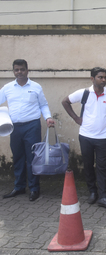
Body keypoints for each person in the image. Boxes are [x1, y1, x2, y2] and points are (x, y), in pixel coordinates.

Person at [62, 67, 106, 209]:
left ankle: (103, 196)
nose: (103, 80)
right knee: (88, 165)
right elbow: (65, 102)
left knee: (102, 167)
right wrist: (75, 118)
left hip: (102, 138)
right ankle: (92, 192)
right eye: (100, 77)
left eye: (105, 77)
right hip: (85, 136)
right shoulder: (84, 93)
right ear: (92, 79)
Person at [0, 59, 55, 201]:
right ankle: (19, 187)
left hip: (32, 126)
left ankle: (34, 189)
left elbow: (43, 105)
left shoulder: (36, 87)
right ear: (13, 71)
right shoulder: (7, 88)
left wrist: (48, 117)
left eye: (22, 69)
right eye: (16, 70)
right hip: (15, 128)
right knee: (18, 157)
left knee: (32, 158)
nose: (19, 72)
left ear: (27, 70)